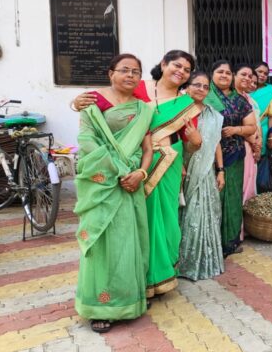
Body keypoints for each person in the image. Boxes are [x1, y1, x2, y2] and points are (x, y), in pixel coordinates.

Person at [73, 50, 200, 297]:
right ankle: (137, 277)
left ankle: (160, 276)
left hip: (167, 162)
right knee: (137, 219)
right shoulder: (139, 85)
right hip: (131, 160)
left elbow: (191, 142)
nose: (181, 72)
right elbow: (105, 107)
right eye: (177, 65)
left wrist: (196, 142)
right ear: (163, 64)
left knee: (165, 218)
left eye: (186, 69)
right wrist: (75, 103)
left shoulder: (187, 103)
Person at [74, 54, 153, 333]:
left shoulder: (143, 109)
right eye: (124, 70)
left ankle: (129, 300)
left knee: (128, 242)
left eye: (136, 72)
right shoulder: (93, 102)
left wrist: (140, 174)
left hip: (131, 183)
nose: (130, 76)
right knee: (102, 243)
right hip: (104, 182)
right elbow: (86, 141)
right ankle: (99, 306)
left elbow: (148, 149)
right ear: (111, 73)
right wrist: (118, 170)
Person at [205, 60, 257, 256]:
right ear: (212, 74)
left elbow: (251, 127)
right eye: (220, 72)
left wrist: (236, 129)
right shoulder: (205, 94)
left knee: (233, 198)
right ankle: (210, 241)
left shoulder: (240, 100)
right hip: (208, 157)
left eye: (228, 73)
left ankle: (230, 241)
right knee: (213, 198)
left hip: (234, 155)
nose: (224, 75)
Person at [178, 71, 226, 281]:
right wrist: (179, 163)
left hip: (205, 170)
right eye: (196, 85)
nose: (201, 89)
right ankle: (180, 261)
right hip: (180, 169)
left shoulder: (212, 115)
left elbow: (215, 143)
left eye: (205, 87)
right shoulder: (176, 110)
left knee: (203, 213)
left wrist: (221, 170)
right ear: (186, 86)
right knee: (182, 213)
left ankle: (203, 261)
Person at [234, 65, 262, 203]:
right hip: (239, 145)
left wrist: (259, 143)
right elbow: (234, 124)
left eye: (250, 76)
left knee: (250, 183)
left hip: (252, 147)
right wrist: (253, 142)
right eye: (243, 74)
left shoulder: (250, 99)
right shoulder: (231, 97)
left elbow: (257, 122)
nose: (247, 78)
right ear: (234, 75)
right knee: (241, 184)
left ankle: (247, 222)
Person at [250, 62, 272, 166]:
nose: (262, 75)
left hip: (262, 131)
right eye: (259, 72)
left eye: (265, 73)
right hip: (244, 131)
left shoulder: (270, 92)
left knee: (259, 163)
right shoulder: (243, 88)